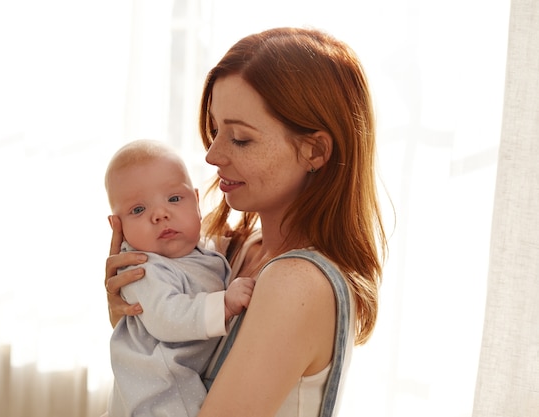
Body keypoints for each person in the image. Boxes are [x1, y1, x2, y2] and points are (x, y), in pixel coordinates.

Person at [104, 27, 388, 417]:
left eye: (240, 138)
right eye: (216, 129)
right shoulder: (230, 251)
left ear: (314, 150)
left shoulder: (296, 282)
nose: (213, 155)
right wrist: (131, 311)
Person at [103, 139, 256, 417]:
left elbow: (208, 260)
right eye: (138, 210)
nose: (160, 214)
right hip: (157, 394)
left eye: (174, 199)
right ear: (119, 227)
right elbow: (167, 317)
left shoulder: (204, 250)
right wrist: (224, 304)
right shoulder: (143, 268)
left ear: (197, 203)